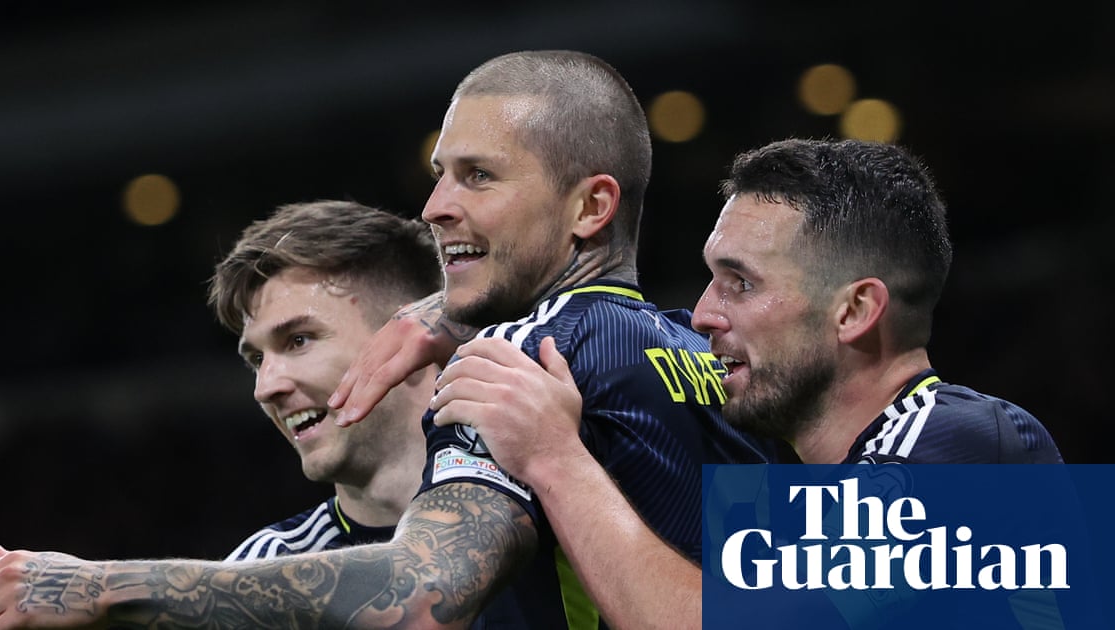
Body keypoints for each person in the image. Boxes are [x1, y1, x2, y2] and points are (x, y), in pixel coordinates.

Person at [0, 49, 771, 630]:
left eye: (478, 176)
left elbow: (421, 595)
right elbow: (812, 596)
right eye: (441, 175)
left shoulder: (521, 365)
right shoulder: (717, 358)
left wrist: (97, 587)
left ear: (590, 206)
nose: (436, 205)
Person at [426, 137, 1067, 629]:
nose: (705, 313)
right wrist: (455, 321)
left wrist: (555, 459)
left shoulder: (967, 443)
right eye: (712, 279)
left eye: (741, 283)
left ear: (854, 311)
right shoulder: (799, 480)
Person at [210, 200, 440, 562]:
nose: (264, 389)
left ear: (407, 341)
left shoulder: (535, 498)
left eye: (298, 340)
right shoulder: (266, 576)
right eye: (257, 360)